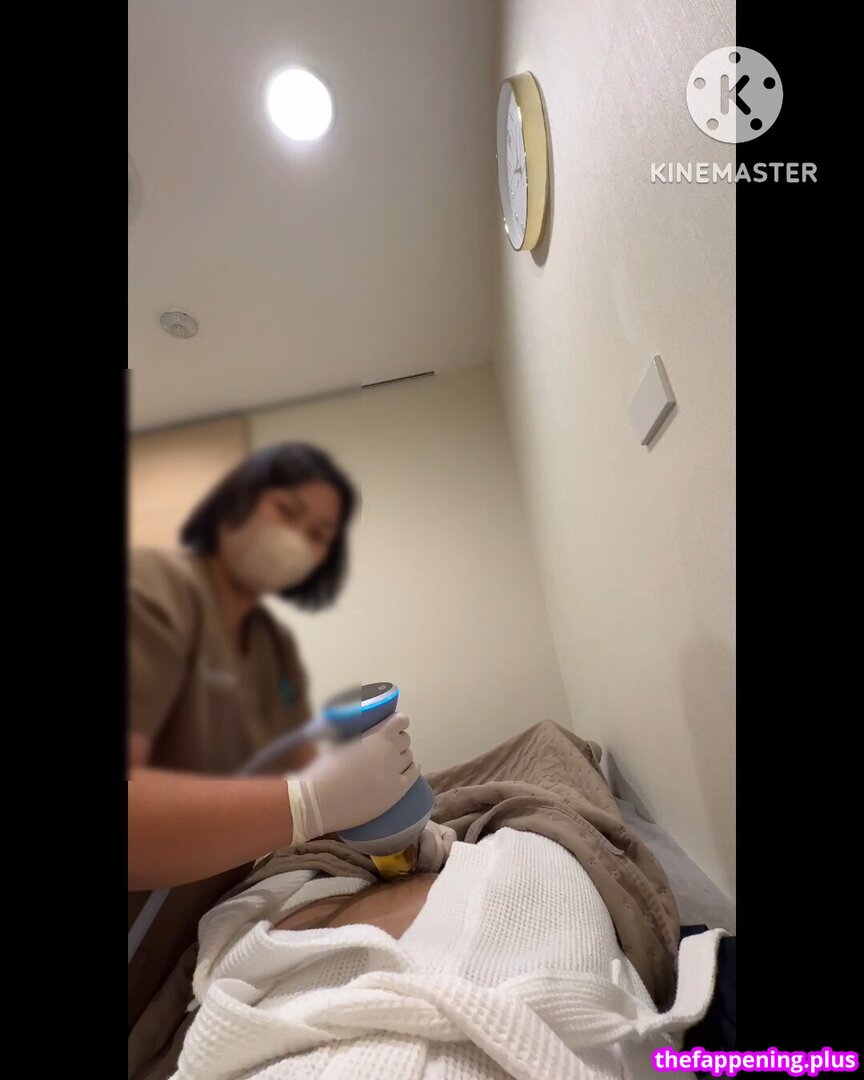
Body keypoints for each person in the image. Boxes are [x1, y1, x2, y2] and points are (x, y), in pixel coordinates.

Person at [127, 442, 424, 1032]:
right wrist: (308, 802)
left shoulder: (260, 652)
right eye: (288, 514)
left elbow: (278, 773)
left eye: (320, 536)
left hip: (199, 935)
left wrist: (386, 821)